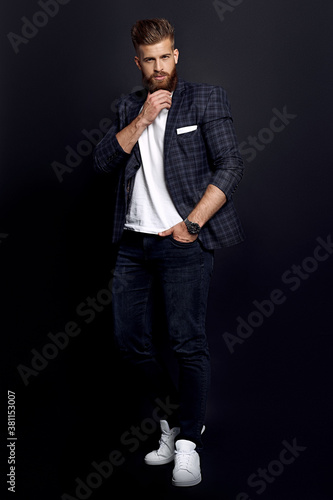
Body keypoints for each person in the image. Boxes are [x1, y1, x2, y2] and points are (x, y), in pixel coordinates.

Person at [94, 18, 245, 487]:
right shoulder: (128, 106)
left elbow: (230, 165)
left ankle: (187, 446)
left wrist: (194, 223)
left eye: (165, 57)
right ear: (137, 62)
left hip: (182, 242)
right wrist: (142, 118)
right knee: (129, 342)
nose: (159, 68)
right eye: (149, 60)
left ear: (175, 55)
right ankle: (172, 423)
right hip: (133, 245)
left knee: (187, 344)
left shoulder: (205, 98)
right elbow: (102, 163)